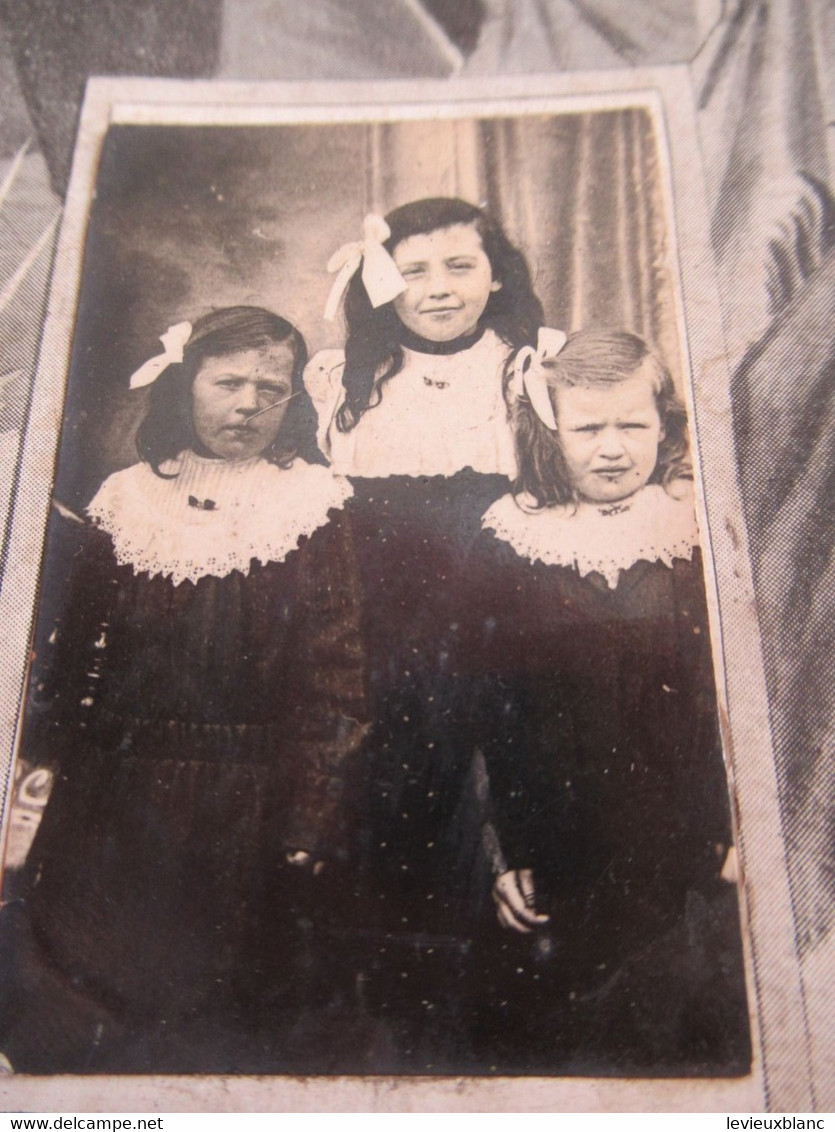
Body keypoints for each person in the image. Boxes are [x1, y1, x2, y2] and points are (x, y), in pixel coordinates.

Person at [0, 306, 368, 1074]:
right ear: (183, 387)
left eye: (270, 389)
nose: (247, 405)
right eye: (228, 382)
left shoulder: (309, 507)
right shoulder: (126, 501)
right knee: (86, 1009)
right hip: (108, 801)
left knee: (206, 1024)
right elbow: (68, 670)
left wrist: (306, 817)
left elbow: (335, 683)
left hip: (242, 808)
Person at [465, 329, 751, 1074]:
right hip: (561, 857)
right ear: (547, 433)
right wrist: (506, 854)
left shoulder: (697, 535)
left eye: (633, 425)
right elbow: (494, 718)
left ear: (665, 425)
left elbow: (739, 709)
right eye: (587, 428)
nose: (613, 448)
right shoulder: (512, 541)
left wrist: (733, 836)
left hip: (693, 853)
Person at [304, 197, 544, 1069]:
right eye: (413, 270)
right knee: (381, 815)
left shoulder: (526, 374)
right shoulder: (341, 381)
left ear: (495, 275)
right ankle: (380, 1033)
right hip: (375, 641)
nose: (438, 289)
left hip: (498, 628)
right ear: (379, 281)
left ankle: (487, 1035)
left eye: (459, 267)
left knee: (498, 811)